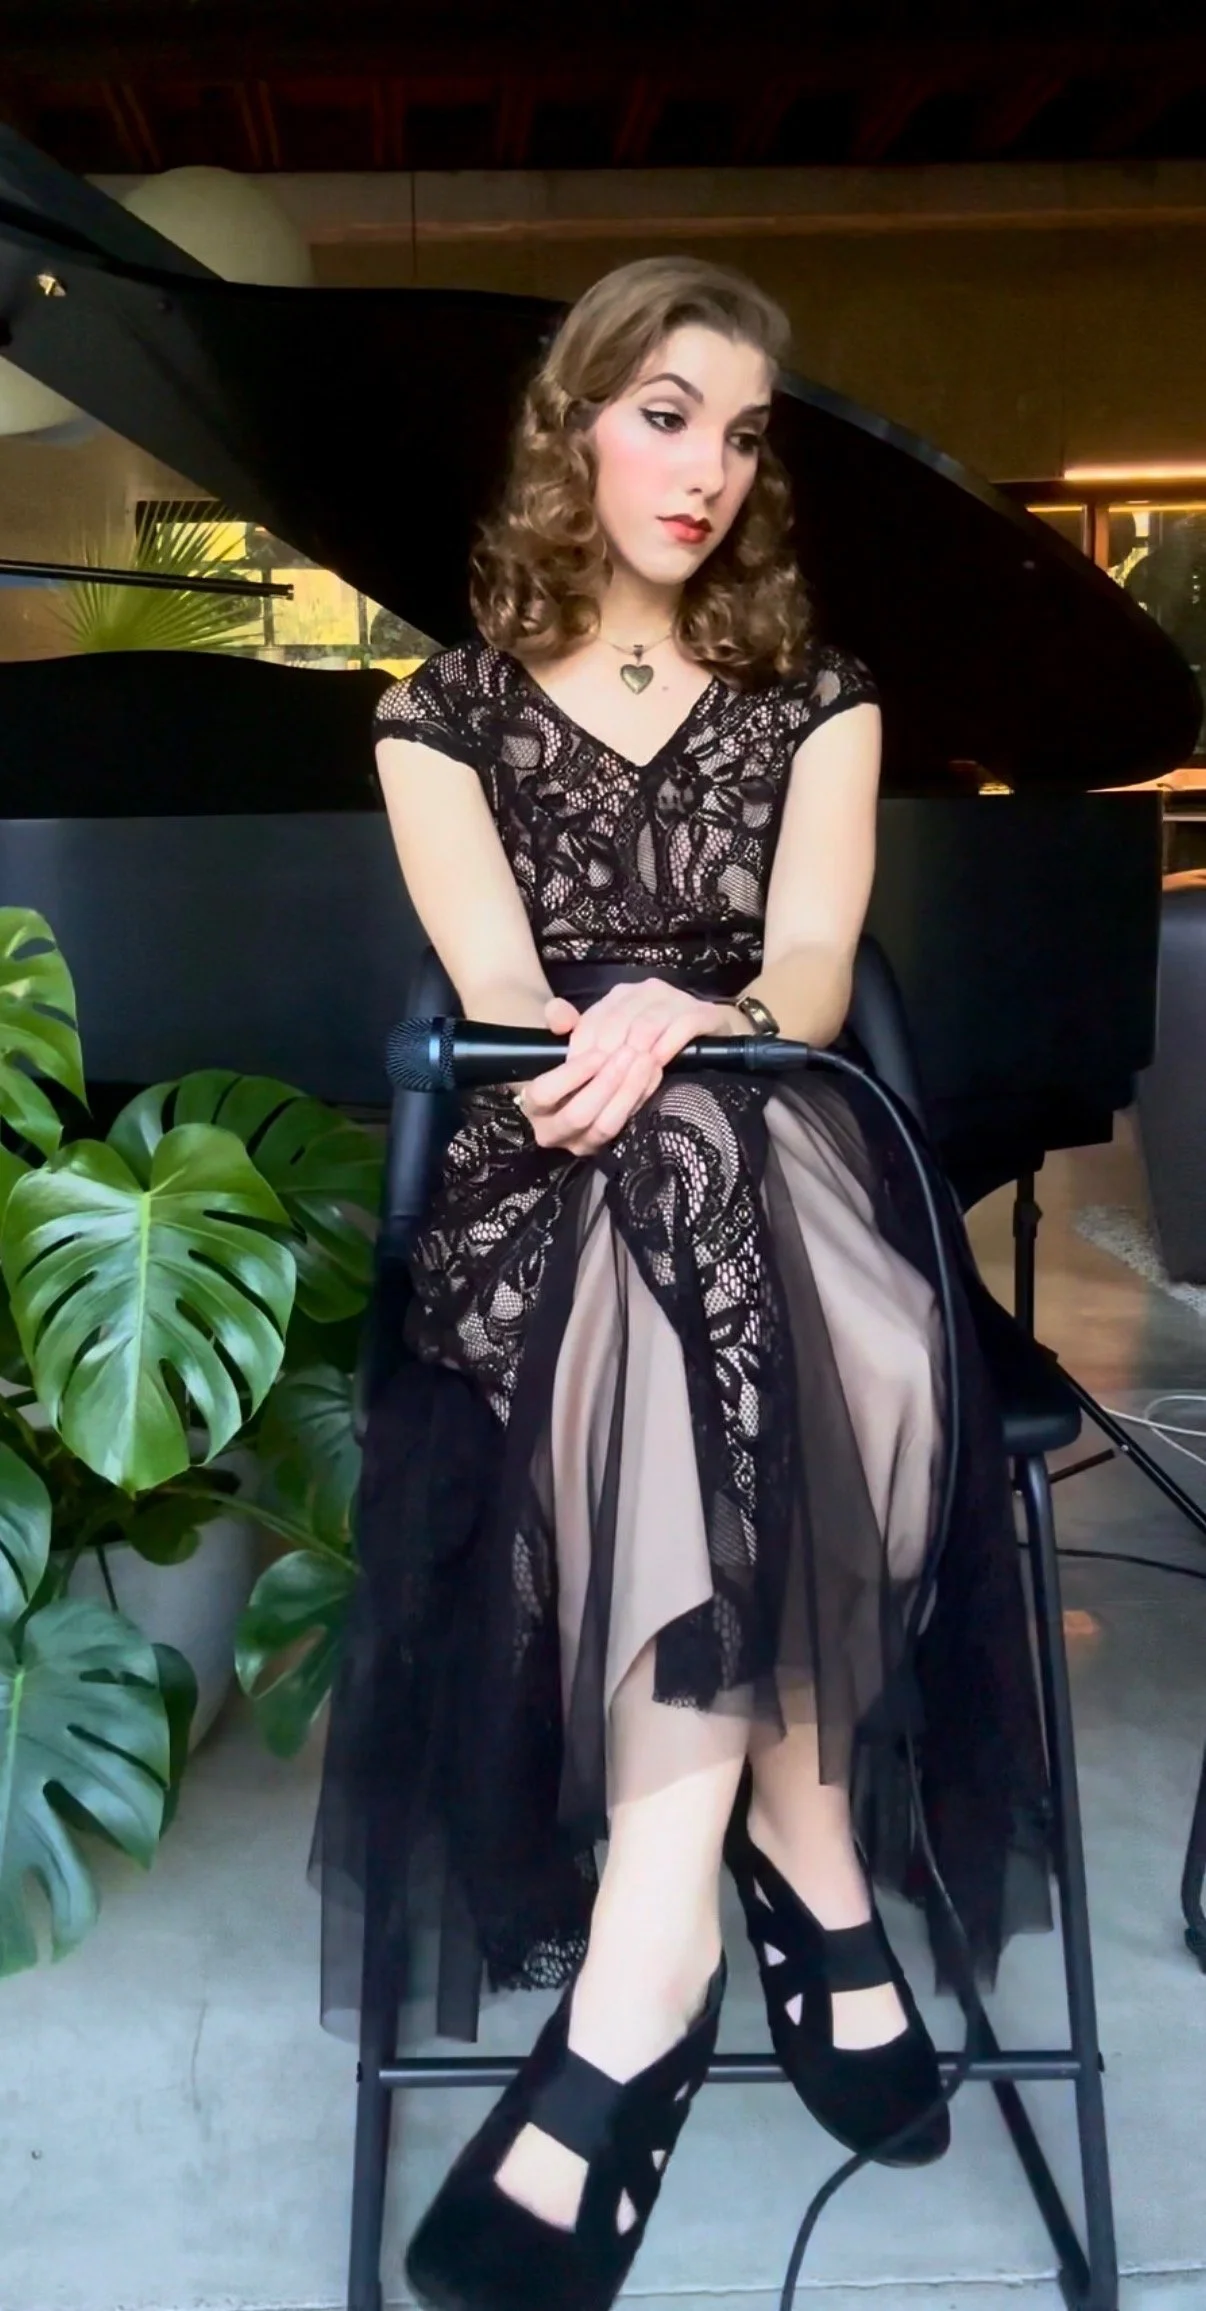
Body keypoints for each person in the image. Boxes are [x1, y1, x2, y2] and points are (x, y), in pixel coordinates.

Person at [309, 254, 1052, 2311]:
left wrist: (682, 1010)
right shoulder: (439, 713)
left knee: (738, 1142)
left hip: (778, 1129)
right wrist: (614, 1031)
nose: (706, 468)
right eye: (663, 413)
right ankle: (800, 1873)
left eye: (738, 434)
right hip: (532, 1163)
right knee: (703, 1210)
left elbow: (806, 983)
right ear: (571, 423)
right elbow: (500, 999)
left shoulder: (823, 699)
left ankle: (664, 1949)